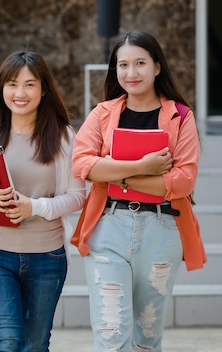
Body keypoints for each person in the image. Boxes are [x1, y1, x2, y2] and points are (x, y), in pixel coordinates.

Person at [70, 29, 207, 351]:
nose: (131, 73)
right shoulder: (102, 114)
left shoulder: (180, 117)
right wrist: (141, 167)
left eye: (140, 63)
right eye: (123, 65)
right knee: (111, 332)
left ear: (157, 66)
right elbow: (82, 165)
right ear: (115, 70)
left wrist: (113, 173)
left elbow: (183, 181)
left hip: (162, 231)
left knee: (147, 335)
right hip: (108, 227)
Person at [0, 50, 86, 351]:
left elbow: (78, 196)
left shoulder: (63, 138)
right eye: (11, 84)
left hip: (47, 257)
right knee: (6, 342)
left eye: (29, 84)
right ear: (1, 89)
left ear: (43, 89)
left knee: (35, 345)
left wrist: (34, 207)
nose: (20, 93)